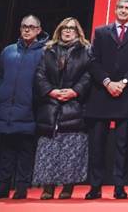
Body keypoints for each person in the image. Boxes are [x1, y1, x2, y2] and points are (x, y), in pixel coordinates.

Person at [85, 0, 128, 199]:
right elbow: (93, 61)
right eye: (120, 7)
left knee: (122, 145)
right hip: (101, 94)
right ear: (115, 9)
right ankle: (95, 186)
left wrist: (123, 83)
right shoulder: (101, 32)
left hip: (126, 95)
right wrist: (107, 82)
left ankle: (119, 186)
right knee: (97, 144)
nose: (123, 10)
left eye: (127, 7)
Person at [0, 15, 49, 200]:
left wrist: (36, 100)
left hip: (30, 108)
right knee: (6, 149)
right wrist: (0, 95)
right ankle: (2, 186)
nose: (27, 30)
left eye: (31, 27)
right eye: (23, 26)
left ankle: (22, 186)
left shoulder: (45, 52)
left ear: (39, 30)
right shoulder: (8, 51)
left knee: (25, 150)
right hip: (6, 108)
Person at [32, 17, 92, 199]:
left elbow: (89, 75)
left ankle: (67, 187)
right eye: (65, 27)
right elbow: (39, 75)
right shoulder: (48, 50)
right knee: (48, 148)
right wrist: (51, 92)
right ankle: (48, 188)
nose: (67, 30)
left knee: (72, 148)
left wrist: (75, 91)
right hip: (51, 105)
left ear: (78, 32)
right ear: (59, 30)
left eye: (72, 28)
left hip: (74, 105)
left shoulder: (86, 51)